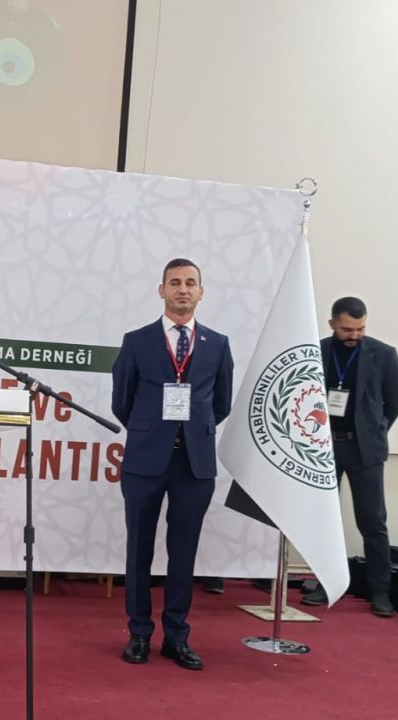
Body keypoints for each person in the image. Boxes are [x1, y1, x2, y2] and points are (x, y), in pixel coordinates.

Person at [111, 258, 234, 671]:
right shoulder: (137, 341)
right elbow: (122, 401)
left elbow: (221, 404)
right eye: (175, 282)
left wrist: (190, 430)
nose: (183, 289)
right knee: (139, 550)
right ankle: (139, 634)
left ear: (201, 292)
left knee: (184, 553)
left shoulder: (218, 345)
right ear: (161, 290)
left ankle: (176, 637)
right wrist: (152, 431)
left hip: (194, 465)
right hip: (145, 460)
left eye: (191, 283)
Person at [301, 297, 398, 617]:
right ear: (332, 323)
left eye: (360, 329)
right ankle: (325, 583)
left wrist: (374, 430)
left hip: (364, 450)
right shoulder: (316, 351)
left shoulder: (384, 355)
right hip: (323, 447)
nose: (354, 335)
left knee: (372, 521)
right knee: (324, 520)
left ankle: (380, 591)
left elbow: (395, 403)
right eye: (347, 329)